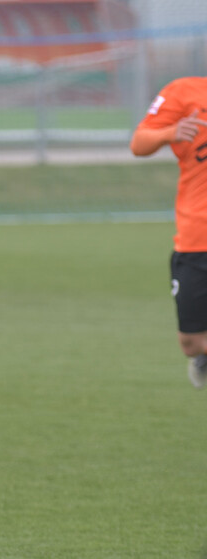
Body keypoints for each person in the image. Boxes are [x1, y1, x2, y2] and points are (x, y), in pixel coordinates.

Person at [130, 77, 207, 388]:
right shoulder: (184, 91)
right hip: (197, 235)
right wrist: (170, 132)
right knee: (190, 341)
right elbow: (139, 143)